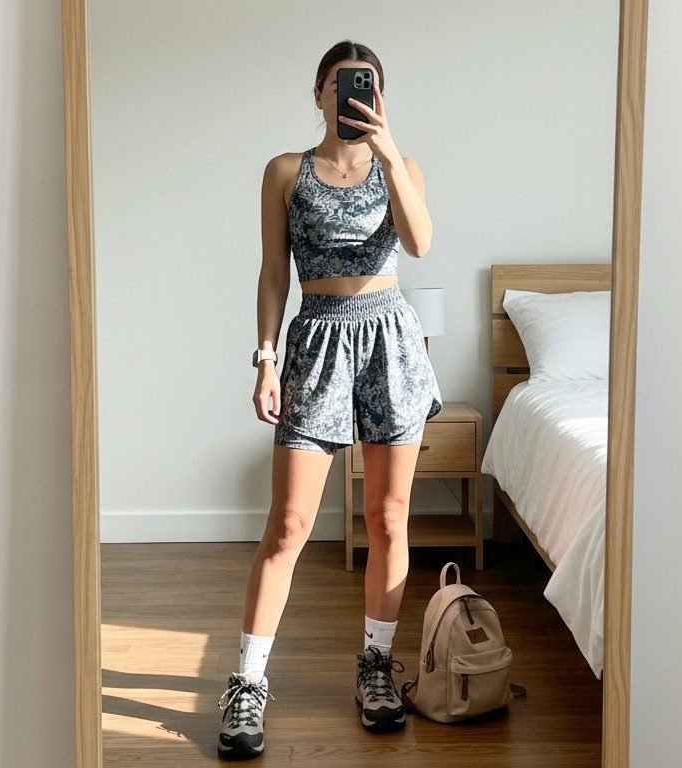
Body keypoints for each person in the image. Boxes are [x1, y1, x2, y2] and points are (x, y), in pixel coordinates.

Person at [217, 40, 443, 760]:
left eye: (368, 87)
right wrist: (265, 358)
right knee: (288, 525)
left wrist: (390, 150)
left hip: (389, 341)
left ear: (380, 98)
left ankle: (376, 667)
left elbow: (420, 243)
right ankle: (247, 682)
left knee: (388, 518)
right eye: (343, 85)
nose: (355, 97)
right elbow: (272, 272)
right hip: (315, 340)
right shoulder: (285, 171)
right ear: (319, 93)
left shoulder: (402, 167)